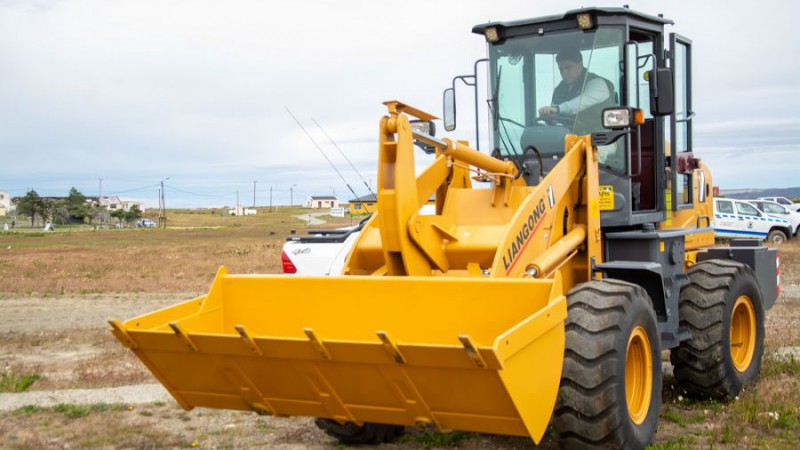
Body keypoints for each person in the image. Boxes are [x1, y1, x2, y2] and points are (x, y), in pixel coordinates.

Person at [538, 50, 615, 134]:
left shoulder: (597, 83)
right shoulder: (559, 89)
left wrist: (557, 109)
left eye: (568, 68)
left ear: (580, 65)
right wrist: (548, 117)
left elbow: (579, 103)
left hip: (600, 139)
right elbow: (554, 115)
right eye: (561, 69)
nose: (564, 73)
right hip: (569, 139)